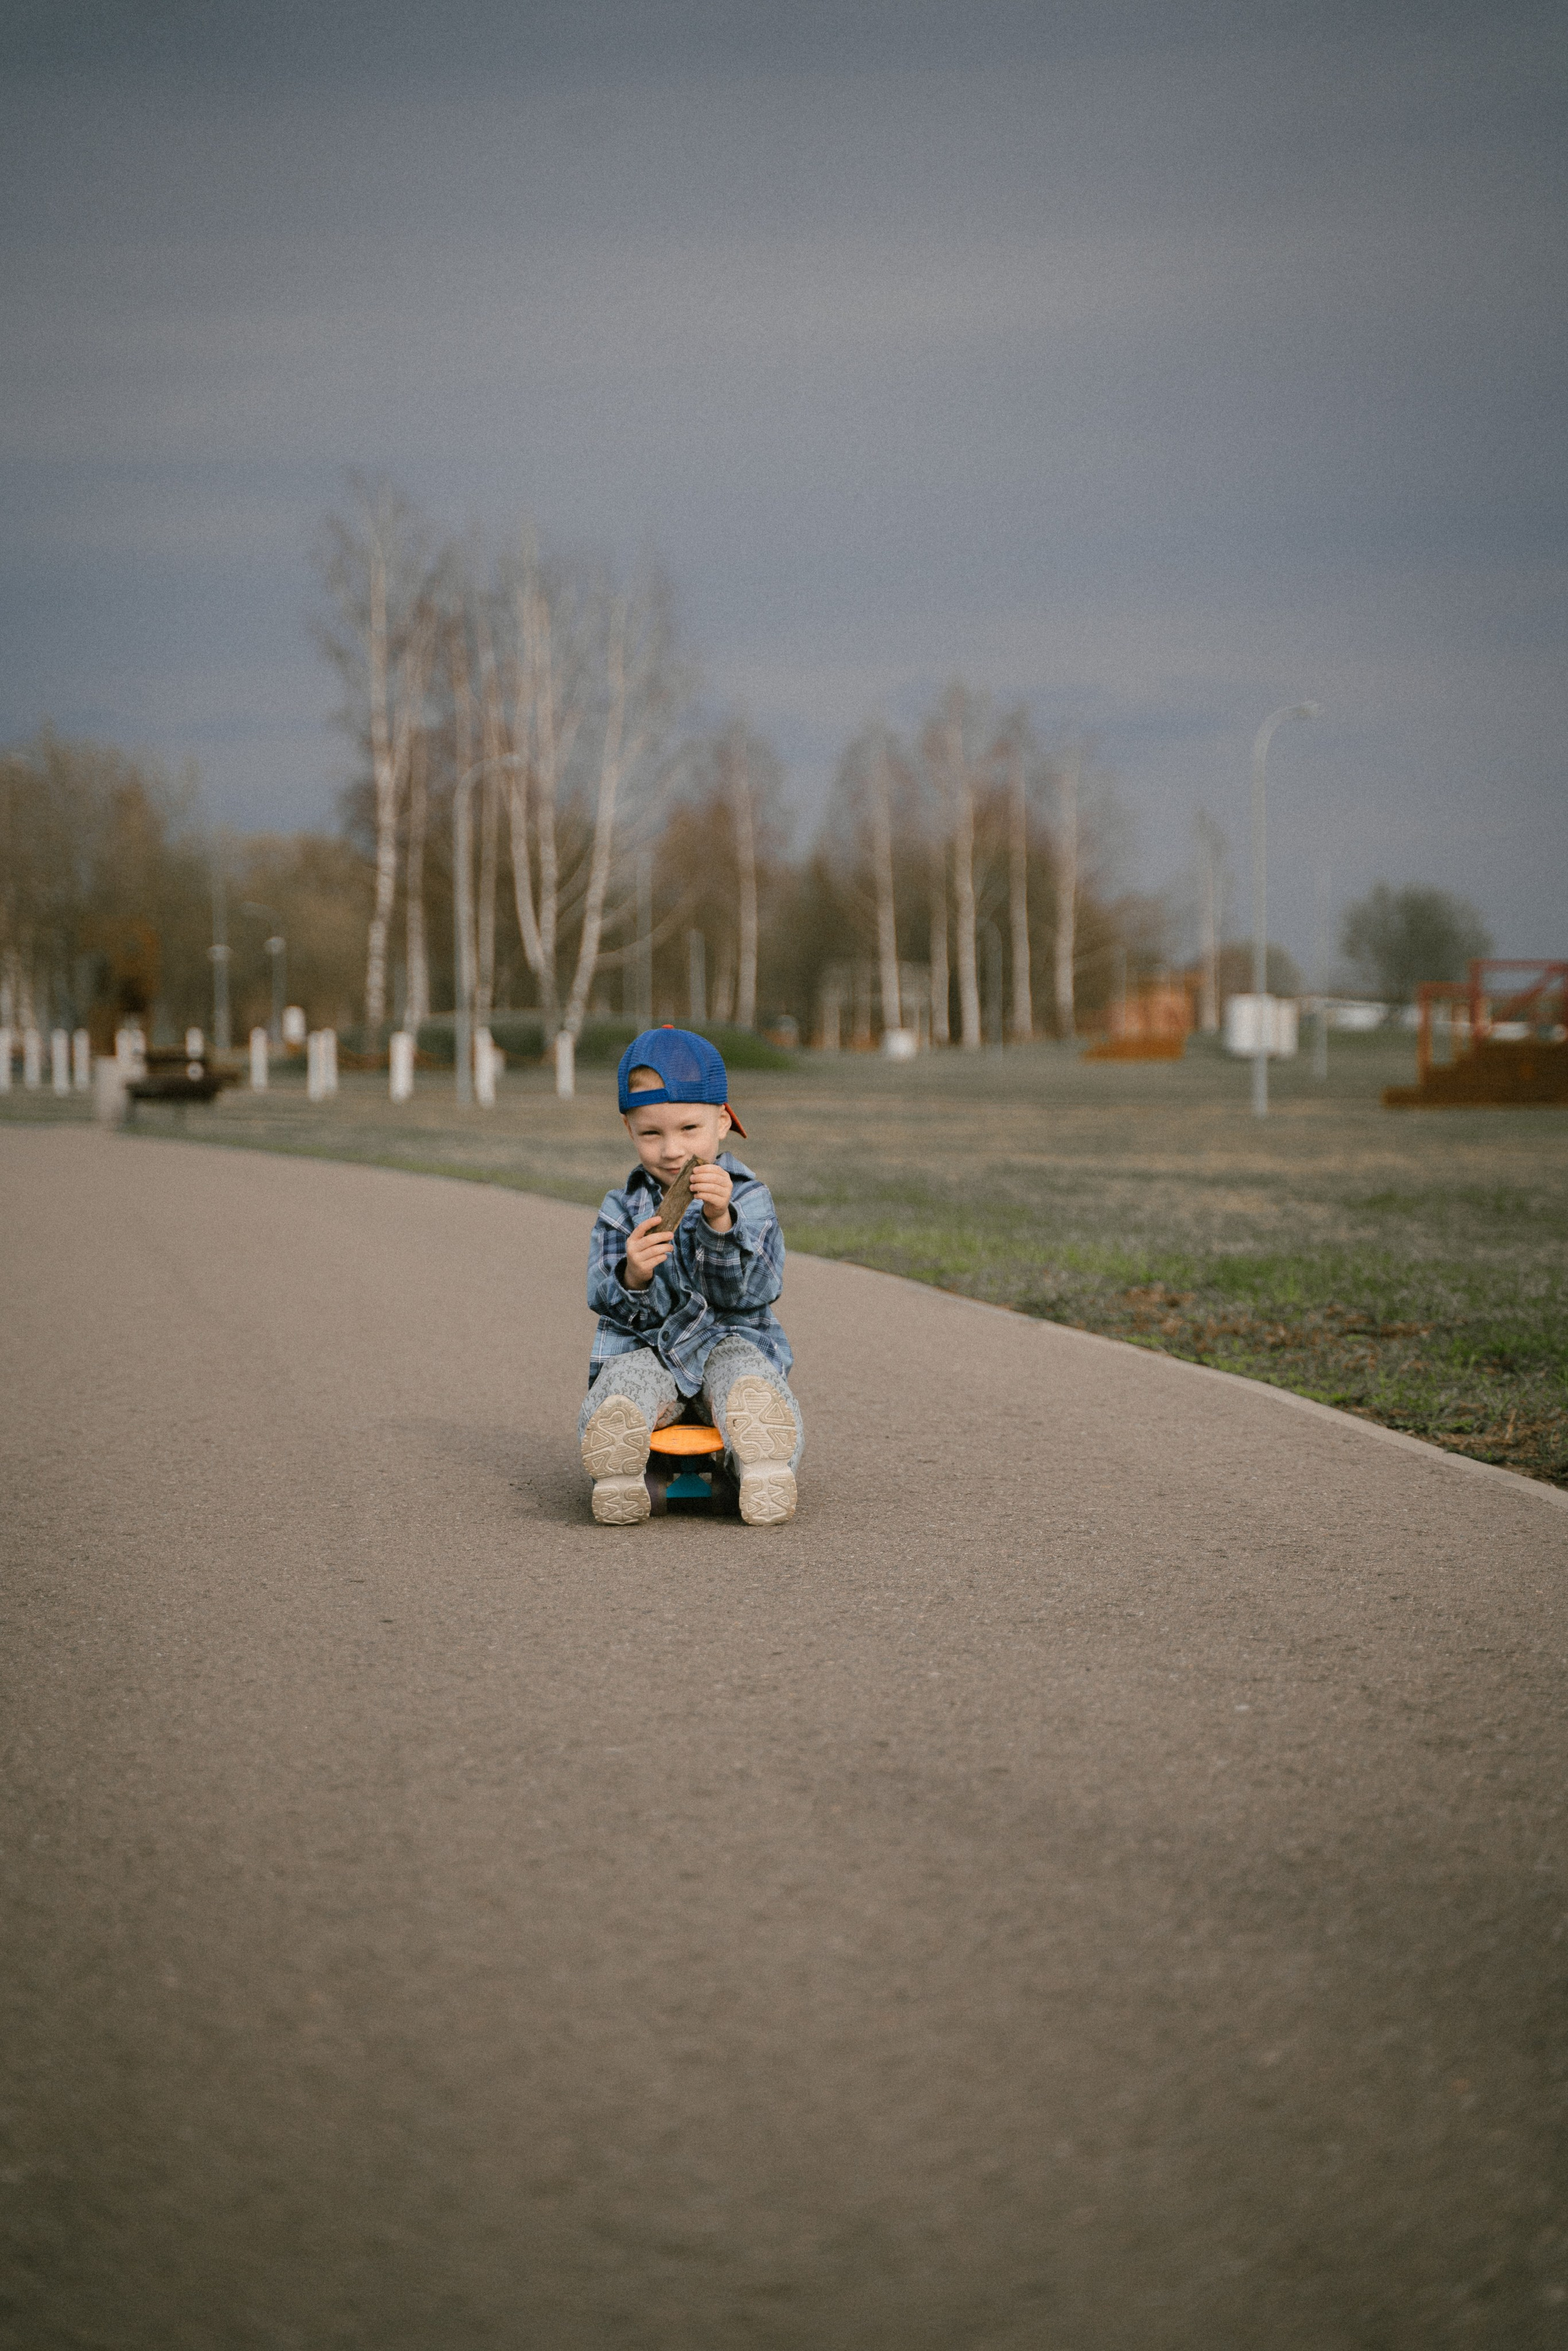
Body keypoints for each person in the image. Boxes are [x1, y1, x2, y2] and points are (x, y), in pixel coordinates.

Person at [579, 1027, 803, 1526]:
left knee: (745, 1377)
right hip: (650, 1345)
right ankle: (619, 1468)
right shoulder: (622, 1209)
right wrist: (633, 1274)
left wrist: (721, 1225)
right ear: (629, 1130)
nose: (672, 1150)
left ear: (722, 1122)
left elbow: (758, 1290)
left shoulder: (748, 1197)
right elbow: (601, 1295)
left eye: (689, 1129)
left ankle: (763, 1465)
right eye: (651, 1134)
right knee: (625, 1380)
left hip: (729, 1336)